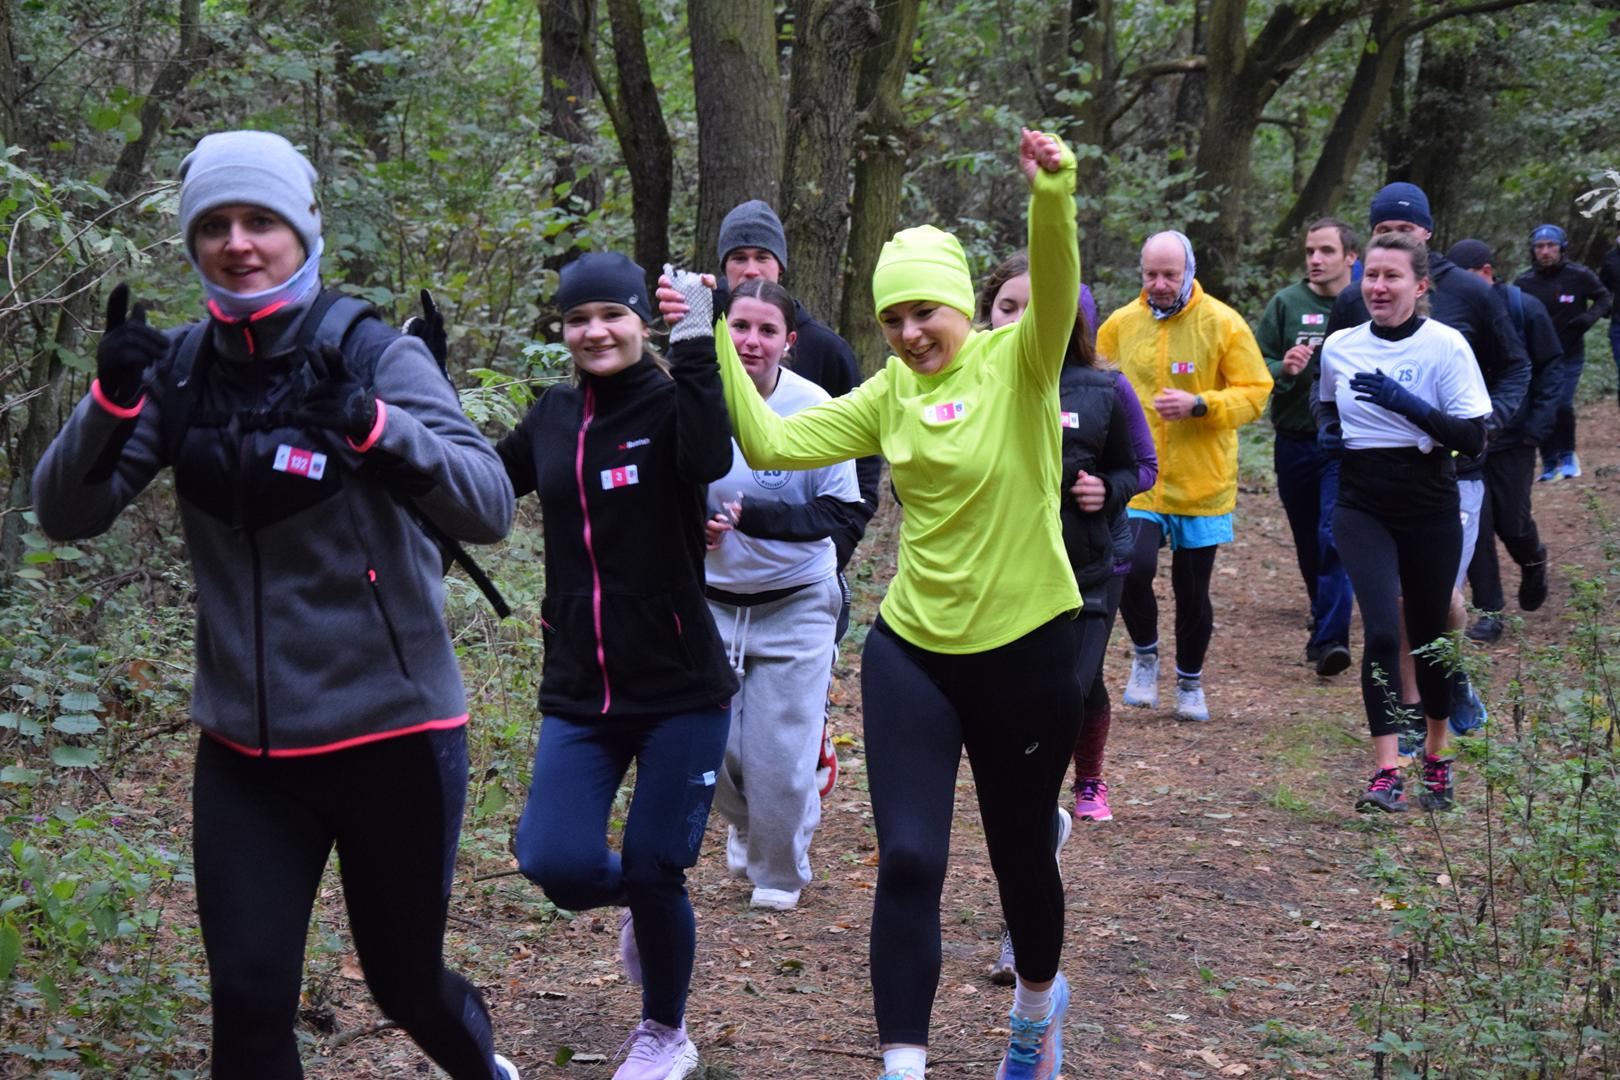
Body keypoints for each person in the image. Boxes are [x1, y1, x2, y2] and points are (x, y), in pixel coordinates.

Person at [32, 131, 519, 1079]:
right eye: (214, 225)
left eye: (261, 221)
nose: (238, 243)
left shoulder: (368, 351)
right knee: (249, 1003)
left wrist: (376, 427)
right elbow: (67, 514)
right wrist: (110, 400)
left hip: (393, 736)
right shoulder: (176, 374)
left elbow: (489, 503)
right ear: (191, 242)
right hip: (248, 755)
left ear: (304, 230)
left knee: (404, 984)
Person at [665, 127, 1083, 1080]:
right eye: (892, 318)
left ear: (963, 308)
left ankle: (1033, 1013)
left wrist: (1052, 195)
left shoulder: (1021, 364)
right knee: (908, 861)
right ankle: (904, 1066)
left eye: (925, 313)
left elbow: (1054, 284)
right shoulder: (890, 393)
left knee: (1023, 856)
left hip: (1027, 647)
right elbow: (769, 444)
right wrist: (711, 329)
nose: (907, 334)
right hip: (915, 651)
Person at [501, 252, 739, 1080]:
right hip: (581, 688)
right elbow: (479, 489)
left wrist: (700, 340)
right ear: (562, 332)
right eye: (577, 319)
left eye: (612, 315)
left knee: (654, 862)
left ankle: (665, 1034)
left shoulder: (674, 403)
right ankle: (645, 899)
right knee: (553, 863)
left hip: (681, 687)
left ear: (642, 321)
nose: (595, 331)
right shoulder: (553, 416)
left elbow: (710, 458)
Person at [974, 254, 1146, 987]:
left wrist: (1101, 488)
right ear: (987, 314)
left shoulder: (1105, 388)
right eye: (1006, 307)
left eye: (1036, 307)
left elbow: (1142, 466)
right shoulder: (973, 385)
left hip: (1085, 580)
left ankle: (1021, 931)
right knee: (1018, 750)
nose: (1022, 321)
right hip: (1001, 588)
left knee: (1058, 716)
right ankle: (1041, 838)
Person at [1313, 182, 1530, 742]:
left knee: (1438, 606)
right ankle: (1407, 720)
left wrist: (1494, 418)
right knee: (1393, 615)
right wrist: (1330, 431)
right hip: (1370, 486)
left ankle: (1448, 683)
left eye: (1405, 233)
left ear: (1426, 243)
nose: (1380, 282)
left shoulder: (1472, 299)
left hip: (1455, 474)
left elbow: (1515, 366)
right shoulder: (1350, 312)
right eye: (1383, 233)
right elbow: (1330, 391)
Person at [701, 279, 862, 912]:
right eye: (740, 326)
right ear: (722, 333)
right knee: (713, 749)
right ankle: (750, 820)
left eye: (767, 331)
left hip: (796, 600)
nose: (751, 341)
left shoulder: (814, 404)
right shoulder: (696, 400)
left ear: (788, 344)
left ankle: (778, 872)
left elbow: (841, 511)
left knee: (777, 759)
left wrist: (755, 519)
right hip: (711, 602)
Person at [1317, 232, 1491, 813]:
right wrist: (1328, 431)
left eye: (1392, 277)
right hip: (1362, 502)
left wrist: (1405, 402)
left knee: (1432, 635)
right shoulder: (1341, 345)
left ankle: (1437, 757)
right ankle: (1387, 770)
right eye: (1371, 276)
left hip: (1430, 502)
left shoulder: (1446, 347)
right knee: (1385, 633)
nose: (1378, 287)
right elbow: (1325, 402)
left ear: (1420, 285)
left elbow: (1473, 440)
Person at [715, 199, 880, 794]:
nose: (749, 266)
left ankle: (808, 745)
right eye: (738, 257)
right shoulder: (698, 350)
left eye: (762, 256)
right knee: (725, 728)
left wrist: (839, 540)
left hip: (809, 558)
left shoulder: (825, 351)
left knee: (784, 717)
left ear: (781, 266)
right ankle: (749, 809)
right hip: (716, 577)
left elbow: (859, 451)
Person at [1099, 231, 1273, 723]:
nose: (1158, 284)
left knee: (1192, 590)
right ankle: (1145, 655)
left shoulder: (1223, 323)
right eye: (1150, 274)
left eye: (1169, 275)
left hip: (1202, 481)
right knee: (1131, 565)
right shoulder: (1120, 325)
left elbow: (1256, 392)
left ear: (1189, 271)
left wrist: (1201, 404)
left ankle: (1190, 681)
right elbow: (1095, 378)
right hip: (1141, 477)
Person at [1256, 218, 1360, 676]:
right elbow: (1252, 365)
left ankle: (1332, 638)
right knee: (1306, 539)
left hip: (1348, 443)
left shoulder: (1363, 302)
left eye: (1326, 251)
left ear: (1350, 258)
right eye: (1310, 251)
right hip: (1295, 438)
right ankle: (1324, 618)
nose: (1315, 260)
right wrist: (1284, 368)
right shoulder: (1286, 304)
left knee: (1333, 535)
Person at [1445, 239, 1561, 643]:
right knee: (1475, 528)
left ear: (1487, 272)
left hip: (1515, 437)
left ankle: (1533, 561)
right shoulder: (1453, 314)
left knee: (1513, 522)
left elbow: (1550, 369)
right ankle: (1489, 611)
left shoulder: (1522, 308)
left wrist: (1537, 426)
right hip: (1468, 439)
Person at [1512, 224, 1613, 480]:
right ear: (1533, 251)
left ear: (1562, 249)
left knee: (1563, 403)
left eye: (1551, 246)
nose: (1545, 252)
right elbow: (1511, 314)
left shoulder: (1578, 275)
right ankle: (1548, 462)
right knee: (1543, 407)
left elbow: (1605, 298)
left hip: (1569, 353)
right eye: (1540, 247)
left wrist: (1588, 319)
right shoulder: (1524, 282)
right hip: (1538, 357)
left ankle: (1568, 455)